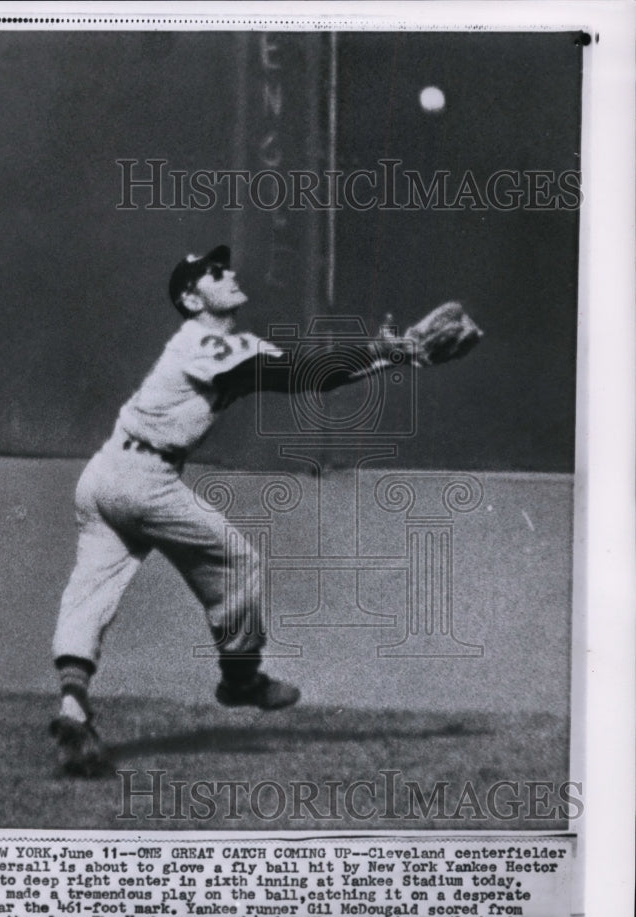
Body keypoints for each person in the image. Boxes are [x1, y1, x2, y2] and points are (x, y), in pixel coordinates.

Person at [50, 244, 413, 776]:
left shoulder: (224, 345)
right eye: (214, 273)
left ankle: (72, 707)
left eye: (224, 266)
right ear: (192, 299)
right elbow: (303, 372)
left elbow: (306, 375)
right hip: (144, 480)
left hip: (104, 473)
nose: (230, 272)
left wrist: (383, 354)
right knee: (239, 562)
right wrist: (387, 353)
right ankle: (241, 678)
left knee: (90, 593)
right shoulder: (205, 343)